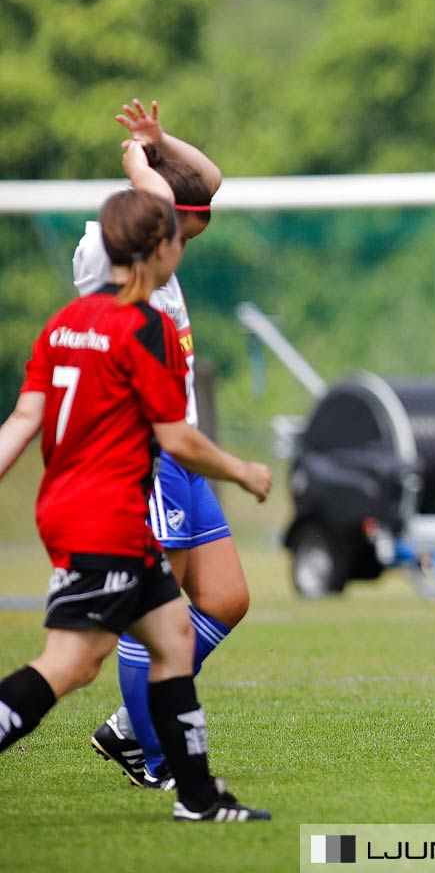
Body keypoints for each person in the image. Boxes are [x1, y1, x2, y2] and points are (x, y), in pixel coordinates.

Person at [0, 188, 273, 821]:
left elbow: (22, 419)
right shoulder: (143, 325)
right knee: (70, 663)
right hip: (104, 516)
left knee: (175, 637)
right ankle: (190, 790)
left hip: (81, 508)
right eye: (177, 238)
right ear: (158, 249)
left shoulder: (63, 323)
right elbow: (174, 436)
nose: (183, 245)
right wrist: (242, 471)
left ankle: (199, 799)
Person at [75, 102, 246, 793]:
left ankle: (129, 723)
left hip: (184, 455)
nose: (189, 241)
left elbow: (211, 180)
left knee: (227, 598)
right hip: (150, 457)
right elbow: (167, 197)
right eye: (183, 228)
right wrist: (136, 160)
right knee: (156, 609)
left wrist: (160, 141)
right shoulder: (107, 253)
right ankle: (159, 757)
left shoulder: (162, 256)